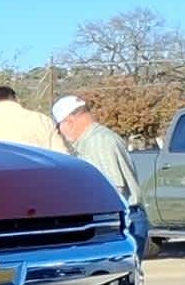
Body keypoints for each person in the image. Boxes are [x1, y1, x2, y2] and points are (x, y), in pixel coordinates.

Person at [52, 94, 149, 259]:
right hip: (121, 219)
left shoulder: (97, 142)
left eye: (59, 126)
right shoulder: (96, 139)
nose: (60, 132)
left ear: (69, 122)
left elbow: (111, 189)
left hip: (119, 222)